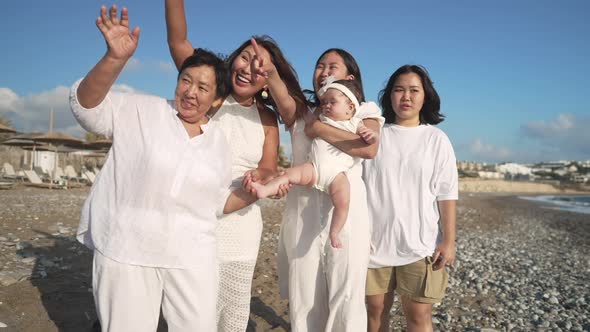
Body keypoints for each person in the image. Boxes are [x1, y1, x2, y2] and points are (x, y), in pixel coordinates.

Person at [71, 6, 254, 331]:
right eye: (186, 80)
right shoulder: (141, 110)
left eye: (202, 87)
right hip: (128, 250)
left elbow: (215, 203)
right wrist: (114, 59)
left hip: (192, 256)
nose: (190, 92)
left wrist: (254, 193)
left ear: (216, 99)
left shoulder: (218, 143)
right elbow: (88, 109)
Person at [165, 1, 308, 330]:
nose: (249, 68)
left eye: (261, 66)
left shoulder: (267, 117)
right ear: (233, 58)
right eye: (246, 56)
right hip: (196, 215)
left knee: (232, 309)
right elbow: (178, 43)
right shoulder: (211, 96)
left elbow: (268, 167)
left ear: (269, 80)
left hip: (242, 220)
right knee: (190, 308)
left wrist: (264, 178)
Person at [276, 48, 383, 331]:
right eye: (319, 65)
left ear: (350, 78)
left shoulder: (363, 110)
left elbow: (369, 148)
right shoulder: (300, 111)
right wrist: (270, 67)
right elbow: (277, 88)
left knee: (346, 295)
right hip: (303, 211)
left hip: (347, 210)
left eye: (332, 66)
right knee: (304, 297)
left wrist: (319, 129)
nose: (323, 71)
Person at [363, 65, 458, 332]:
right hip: (373, 244)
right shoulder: (373, 136)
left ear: (425, 96)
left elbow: (447, 193)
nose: (406, 96)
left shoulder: (436, 140)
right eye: (399, 89)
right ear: (389, 96)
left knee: (418, 315)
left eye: (414, 90)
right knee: (375, 312)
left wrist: (448, 241)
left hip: (420, 243)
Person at [251, 78, 382, 249]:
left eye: (332, 102)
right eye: (324, 102)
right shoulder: (320, 119)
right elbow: (300, 111)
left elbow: (369, 141)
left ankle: (335, 232)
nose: (326, 105)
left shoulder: (355, 123)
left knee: (343, 203)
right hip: (314, 168)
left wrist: (370, 135)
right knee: (289, 174)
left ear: (350, 107)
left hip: (338, 174)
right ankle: (265, 189)